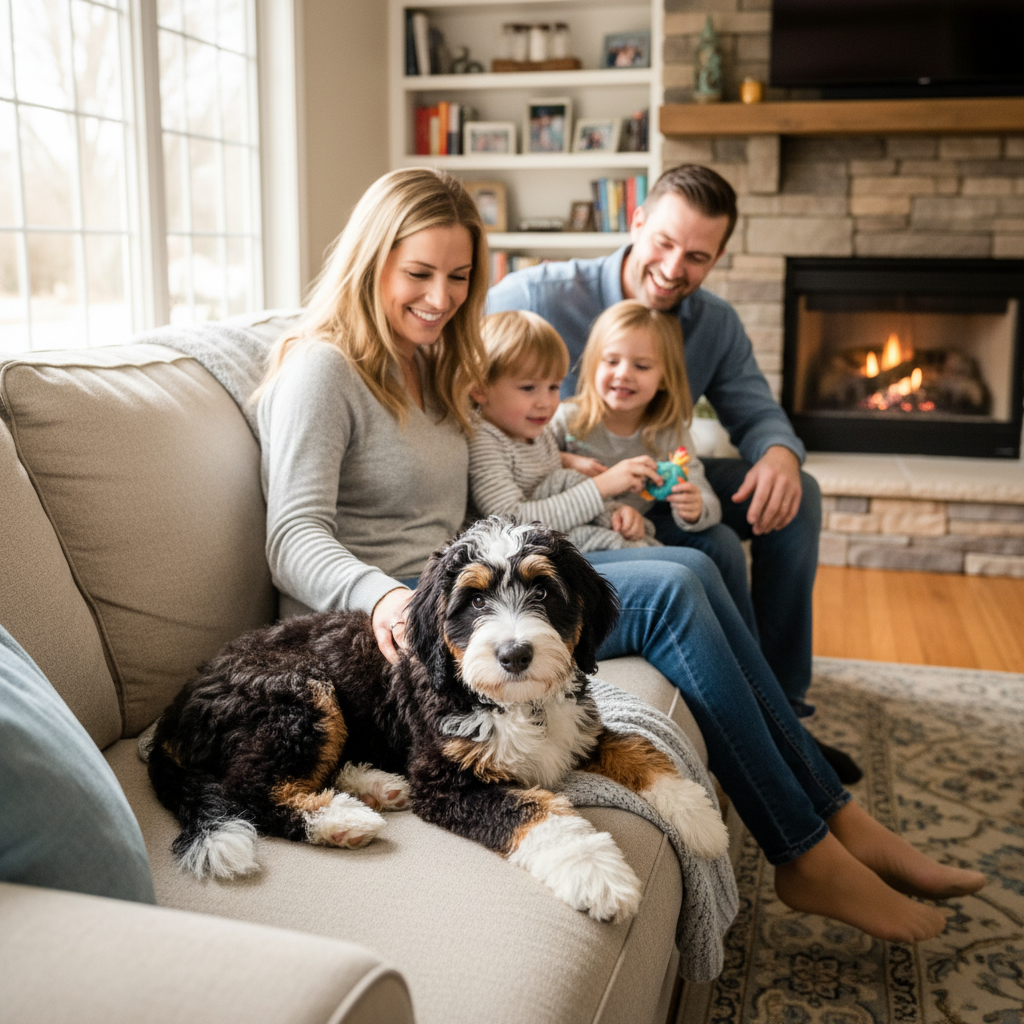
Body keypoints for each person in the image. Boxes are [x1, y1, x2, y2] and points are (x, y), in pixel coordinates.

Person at [255, 166, 984, 944]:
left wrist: (577, 471)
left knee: (696, 565)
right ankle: (807, 850)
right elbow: (291, 535)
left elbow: (503, 461)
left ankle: (833, 815)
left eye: (461, 276)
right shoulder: (324, 368)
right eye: (420, 275)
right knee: (676, 590)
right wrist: (383, 596)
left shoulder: (434, 359)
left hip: (471, 577)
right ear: (372, 261)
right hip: (403, 612)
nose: (442, 297)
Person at [486, 163, 858, 782]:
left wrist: (780, 455)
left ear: (715, 259)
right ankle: (752, 710)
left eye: (697, 256)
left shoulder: (714, 324)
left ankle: (785, 707)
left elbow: (757, 412)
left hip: (660, 476)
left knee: (799, 494)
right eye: (663, 242)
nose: (673, 266)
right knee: (713, 548)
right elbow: (469, 366)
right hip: (578, 493)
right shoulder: (539, 295)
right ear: (637, 223)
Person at [550, 299, 756, 633]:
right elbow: (532, 468)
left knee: (722, 541)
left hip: (639, 527)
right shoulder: (568, 421)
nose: (623, 374)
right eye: (611, 361)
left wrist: (694, 506)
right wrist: (566, 460)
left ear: (664, 378)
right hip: (581, 535)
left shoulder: (667, 432)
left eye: (642, 366)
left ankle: (737, 636)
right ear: (592, 366)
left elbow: (706, 496)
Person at [468, 308, 662, 553]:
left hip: (553, 534)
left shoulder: (536, 432)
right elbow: (512, 521)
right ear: (480, 389)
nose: (546, 403)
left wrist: (616, 514)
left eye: (553, 387)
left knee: (672, 555)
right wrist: (602, 486)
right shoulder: (485, 440)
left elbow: (556, 484)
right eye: (528, 388)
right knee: (641, 553)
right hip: (518, 553)